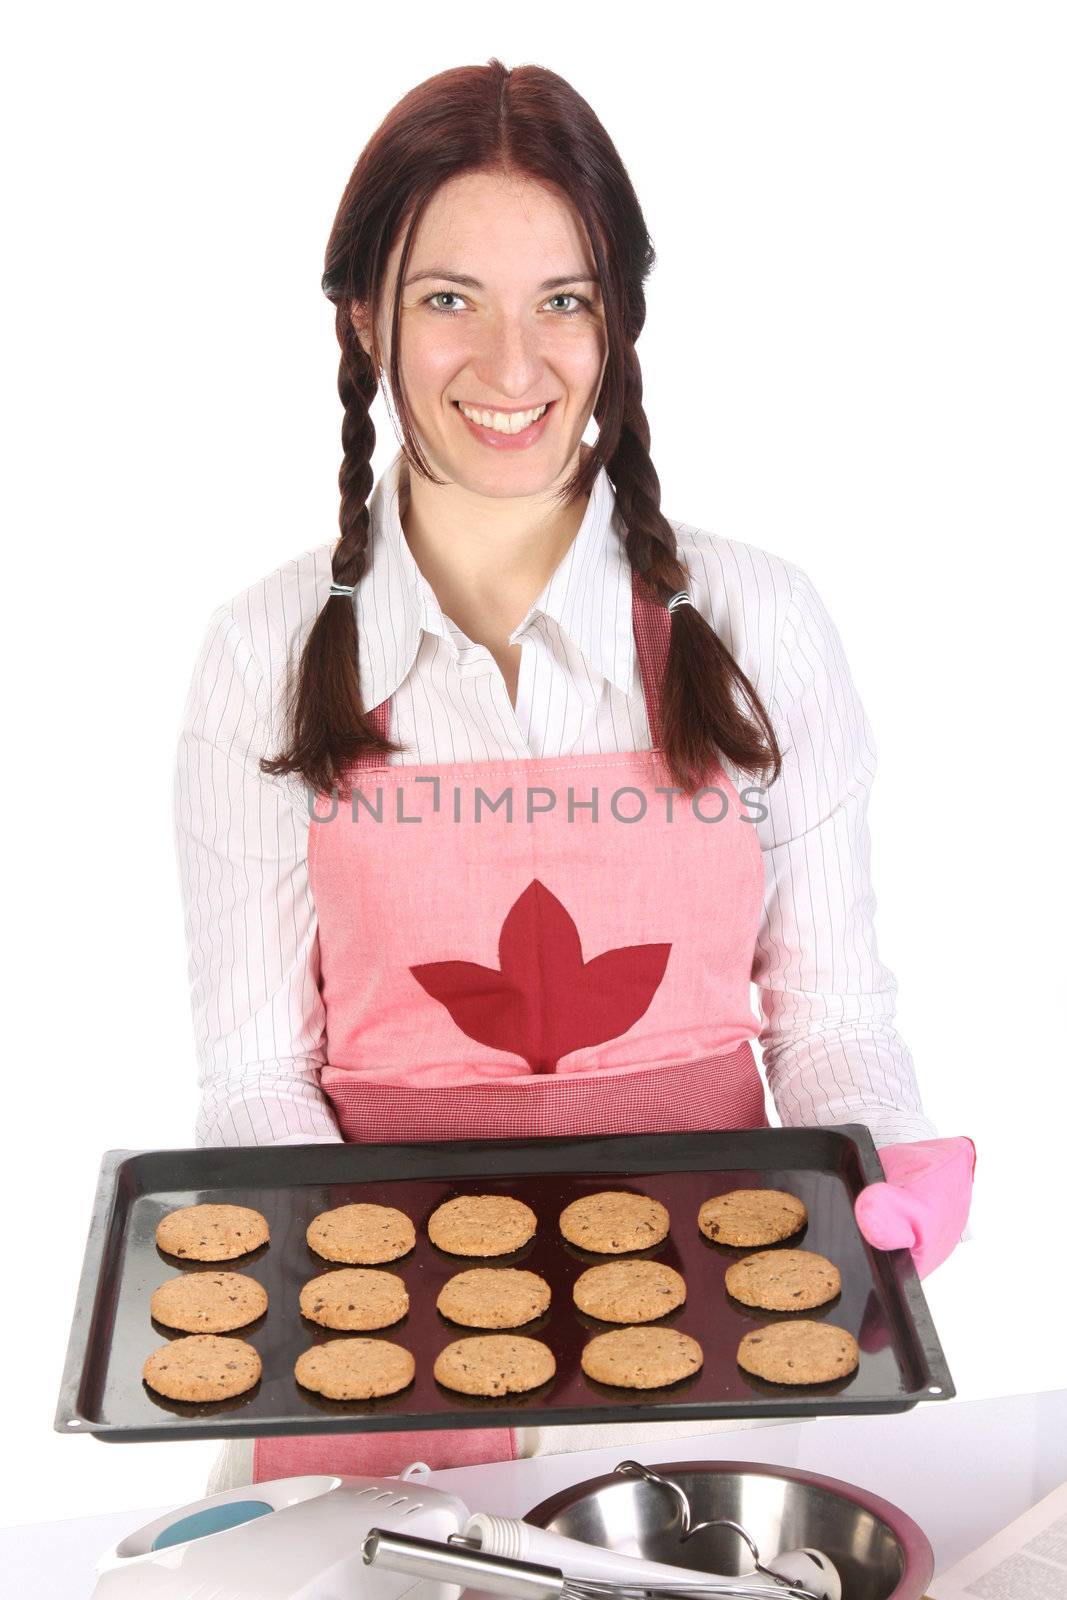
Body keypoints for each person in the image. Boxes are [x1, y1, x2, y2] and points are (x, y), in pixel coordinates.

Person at [172, 58, 974, 1492]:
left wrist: (891, 1153)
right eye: (445, 298)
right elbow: (251, 1080)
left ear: (622, 321)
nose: (511, 366)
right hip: (382, 1404)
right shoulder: (263, 652)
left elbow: (832, 1016)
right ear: (362, 317)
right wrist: (388, 1325)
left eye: (564, 299)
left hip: (715, 1360)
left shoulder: (763, 624)